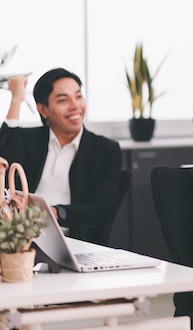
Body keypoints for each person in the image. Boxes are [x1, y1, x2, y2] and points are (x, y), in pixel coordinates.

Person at [0, 68, 123, 243]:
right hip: (21, 241)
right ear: (43, 109)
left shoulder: (105, 150)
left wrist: (55, 212)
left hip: (73, 242)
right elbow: (4, 160)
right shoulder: (30, 140)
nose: (75, 106)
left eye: (78, 96)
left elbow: (99, 208)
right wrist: (16, 100)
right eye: (63, 100)